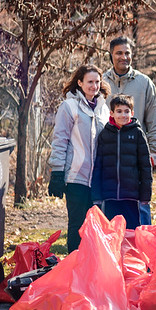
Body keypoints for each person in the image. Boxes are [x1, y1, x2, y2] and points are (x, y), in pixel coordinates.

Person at [48, 64, 110, 252]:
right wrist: (57, 172)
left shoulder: (103, 108)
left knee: (95, 225)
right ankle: (74, 265)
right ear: (80, 82)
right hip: (76, 177)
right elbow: (60, 140)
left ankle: (91, 267)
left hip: (98, 178)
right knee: (77, 224)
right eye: (90, 82)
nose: (94, 86)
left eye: (97, 82)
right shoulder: (69, 106)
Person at [102, 36, 156, 225]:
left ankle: (144, 248)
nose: (124, 57)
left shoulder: (144, 83)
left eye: (127, 53)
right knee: (110, 208)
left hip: (138, 155)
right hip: (109, 157)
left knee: (141, 206)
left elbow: (155, 119)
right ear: (111, 55)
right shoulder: (101, 82)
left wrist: (154, 151)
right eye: (119, 53)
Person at [91, 95, 153, 229]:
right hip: (110, 195)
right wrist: (97, 195)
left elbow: (145, 167)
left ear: (132, 113)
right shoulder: (105, 135)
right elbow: (98, 166)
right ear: (112, 113)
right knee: (112, 232)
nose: (123, 115)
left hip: (131, 196)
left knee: (132, 232)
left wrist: (145, 195)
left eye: (127, 111)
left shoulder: (137, 133)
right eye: (119, 111)